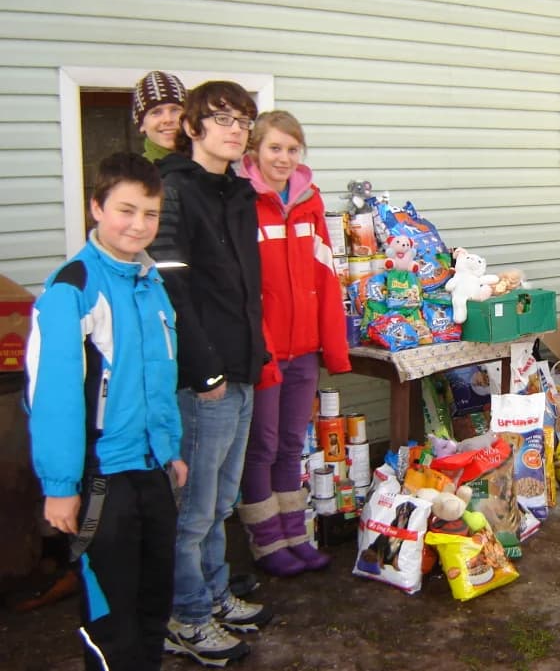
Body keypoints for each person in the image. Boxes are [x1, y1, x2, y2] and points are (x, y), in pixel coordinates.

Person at [25, 152, 187, 671]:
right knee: (111, 616)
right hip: (101, 480)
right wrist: (59, 485)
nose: (139, 225)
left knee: (153, 602)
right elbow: (53, 397)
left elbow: (160, 378)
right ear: (97, 207)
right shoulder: (73, 287)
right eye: (126, 210)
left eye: (151, 214)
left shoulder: (151, 283)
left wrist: (171, 449)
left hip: (151, 471)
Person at [151, 80, 270, 667]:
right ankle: (187, 617)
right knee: (194, 508)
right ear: (193, 126)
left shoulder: (238, 193)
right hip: (205, 377)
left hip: (242, 366)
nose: (234, 129)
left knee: (220, 500)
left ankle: (216, 595)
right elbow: (173, 290)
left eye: (243, 121)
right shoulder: (174, 190)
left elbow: (244, 288)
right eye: (221, 118)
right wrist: (204, 372)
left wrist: (253, 356)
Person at [236, 110, 351, 575]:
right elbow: (242, 290)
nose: (283, 157)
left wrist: (333, 348)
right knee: (260, 447)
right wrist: (258, 349)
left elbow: (326, 279)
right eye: (274, 148)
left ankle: (295, 536)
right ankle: (267, 544)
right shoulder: (241, 202)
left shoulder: (310, 202)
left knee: (290, 444)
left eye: (291, 149)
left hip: (303, 349)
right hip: (262, 352)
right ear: (255, 152)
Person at [132, 70, 187, 163]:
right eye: (156, 112)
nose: (168, 119)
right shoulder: (137, 174)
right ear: (142, 124)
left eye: (175, 110)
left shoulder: (211, 166)